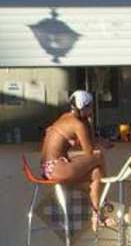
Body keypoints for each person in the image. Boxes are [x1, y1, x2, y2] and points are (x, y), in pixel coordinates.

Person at [39, 90, 109, 229]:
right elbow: (89, 151)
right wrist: (90, 125)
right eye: (90, 108)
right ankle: (105, 204)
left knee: (96, 172)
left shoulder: (64, 117)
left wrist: (94, 137)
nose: (92, 111)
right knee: (98, 156)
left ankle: (96, 215)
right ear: (83, 108)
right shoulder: (78, 124)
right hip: (56, 167)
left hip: (48, 168)